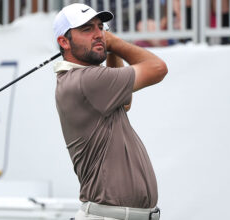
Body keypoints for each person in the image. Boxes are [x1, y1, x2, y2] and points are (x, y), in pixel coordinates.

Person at [53, 3, 168, 220]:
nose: (98, 34)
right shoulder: (87, 80)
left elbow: (125, 103)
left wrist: (109, 48)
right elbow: (158, 68)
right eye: (87, 29)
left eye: (100, 27)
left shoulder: (88, 79)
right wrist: (113, 42)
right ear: (64, 42)